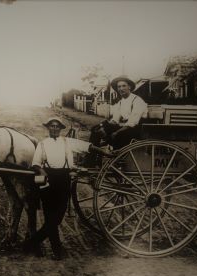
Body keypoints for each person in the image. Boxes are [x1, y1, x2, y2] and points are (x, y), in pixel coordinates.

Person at [24, 116, 112, 260]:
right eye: (51, 126)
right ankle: (57, 251)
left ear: (60, 129)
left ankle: (32, 243)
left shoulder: (67, 142)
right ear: (48, 128)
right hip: (48, 180)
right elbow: (35, 163)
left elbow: (87, 146)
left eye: (56, 126)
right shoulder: (42, 144)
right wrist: (42, 173)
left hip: (64, 179)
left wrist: (103, 152)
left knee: (58, 216)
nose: (54, 128)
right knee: (49, 216)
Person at [85, 75, 147, 166]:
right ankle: (92, 158)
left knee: (114, 134)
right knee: (96, 128)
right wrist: (103, 125)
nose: (121, 89)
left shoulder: (137, 101)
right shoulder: (121, 102)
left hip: (135, 130)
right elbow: (115, 120)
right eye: (119, 87)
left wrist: (116, 132)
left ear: (129, 87)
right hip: (125, 128)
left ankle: (97, 158)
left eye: (123, 86)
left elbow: (132, 122)